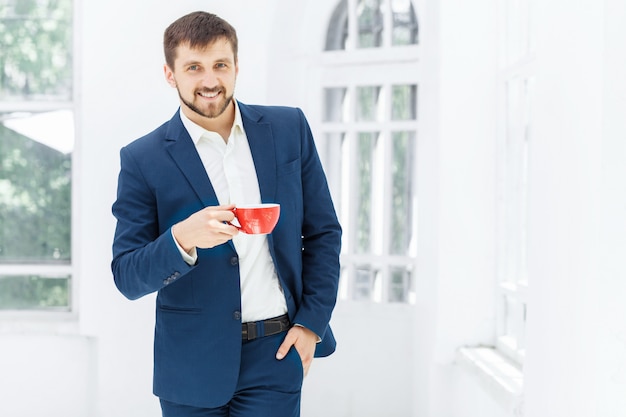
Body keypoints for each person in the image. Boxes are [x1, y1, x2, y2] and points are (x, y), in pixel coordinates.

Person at [111, 11, 342, 417]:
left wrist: (311, 326)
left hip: (277, 352)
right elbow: (127, 276)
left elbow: (323, 233)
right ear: (170, 74)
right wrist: (182, 239)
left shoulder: (289, 129)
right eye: (193, 68)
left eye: (220, 65)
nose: (210, 80)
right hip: (189, 365)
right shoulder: (142, 159)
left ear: (237, 66)